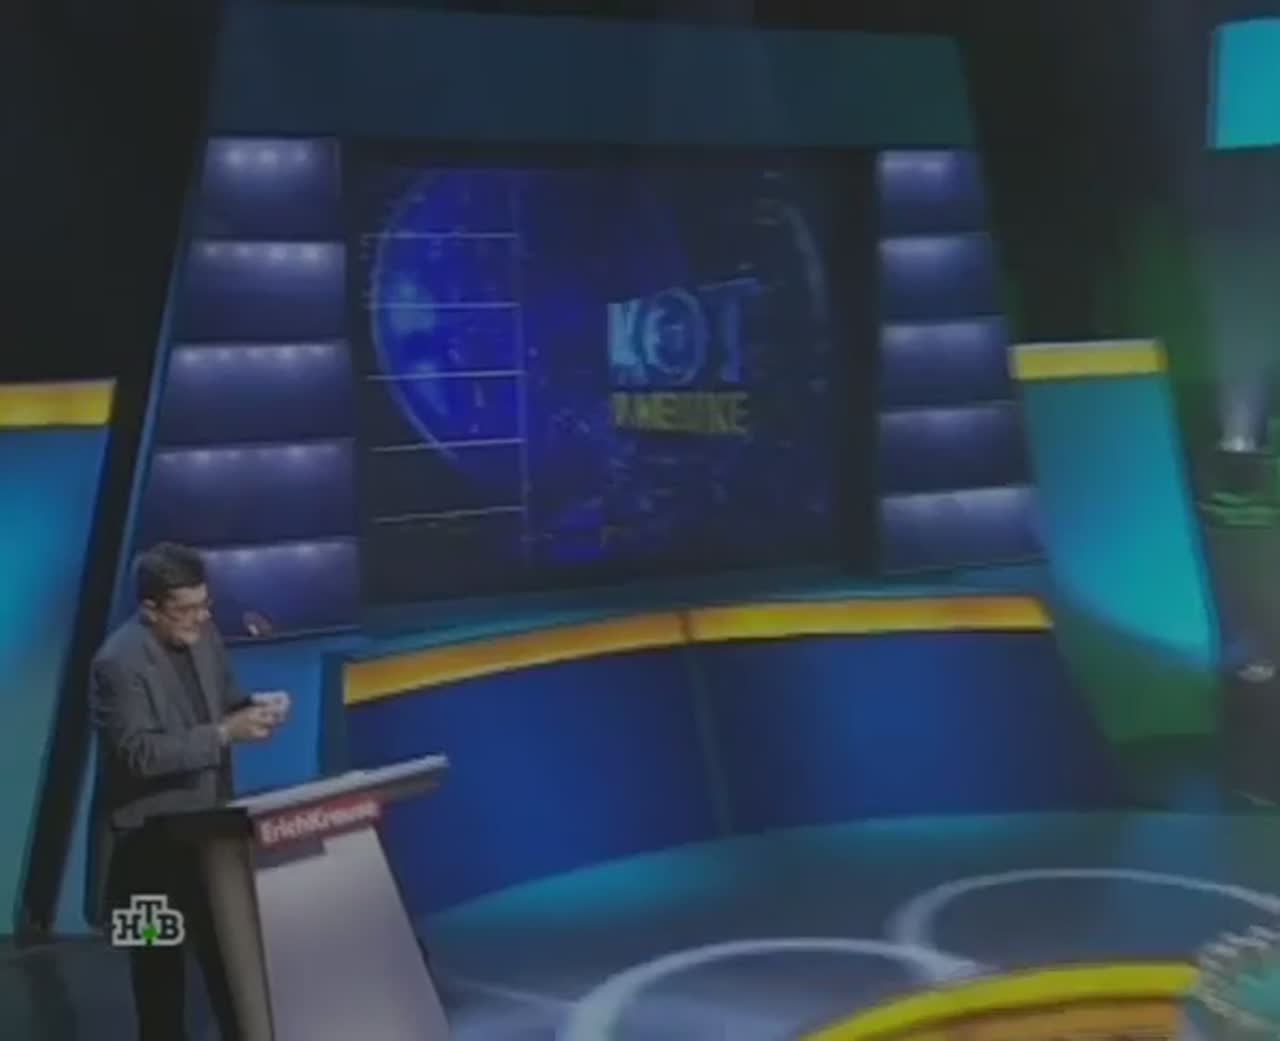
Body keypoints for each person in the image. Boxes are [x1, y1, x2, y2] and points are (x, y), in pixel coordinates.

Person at [86, 542, 291, 1041]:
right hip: (143, 853)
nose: (201, 617)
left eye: (205, 604)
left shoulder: (205, 636)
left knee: (232, 968)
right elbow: (138, 754)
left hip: (210, 840)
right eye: (187, 609)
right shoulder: (115, 663)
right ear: (149, 609)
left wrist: (256, 706)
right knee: (158, 982)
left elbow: (225, 701)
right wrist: (223, 734)